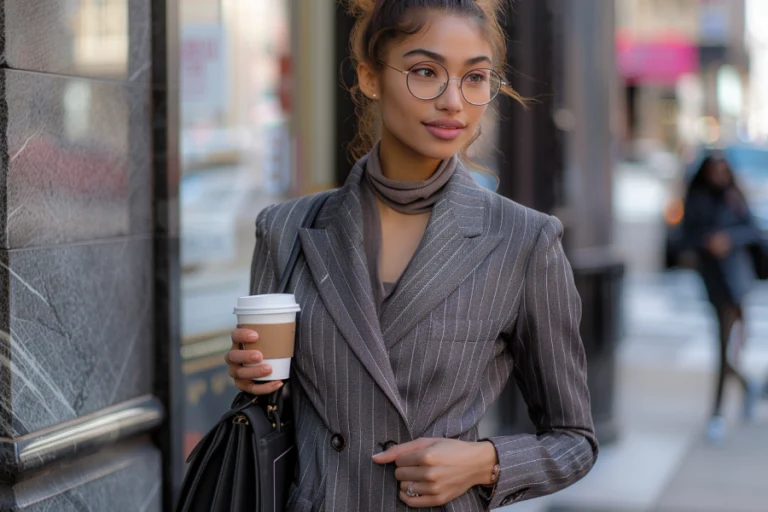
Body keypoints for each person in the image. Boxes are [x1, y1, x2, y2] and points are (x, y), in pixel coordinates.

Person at [226, 1, 598, 510]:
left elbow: (574, 440)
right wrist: (254, 382)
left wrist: (483, 461)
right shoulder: (287, 229)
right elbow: (274, 416)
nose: (453, 101)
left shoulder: (523, 241)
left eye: (475, 77)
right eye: (426, 72)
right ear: (370, 78)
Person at [682, 152, 763, 443]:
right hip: (716, 282)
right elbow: (685, 237)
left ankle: (743, 388)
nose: (719, 176)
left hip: (739, 279)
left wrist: (729, 239)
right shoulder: (697, 199)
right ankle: (721, 408)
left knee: (734, 345)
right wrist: (707, 243)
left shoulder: (735, 198)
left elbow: (753, 231)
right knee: (723, 346)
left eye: (723, 171)